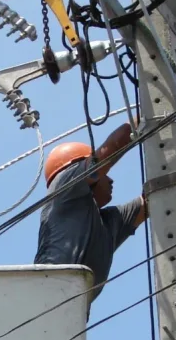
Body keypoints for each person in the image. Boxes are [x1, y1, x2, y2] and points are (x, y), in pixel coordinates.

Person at [35, 122, 146, 306]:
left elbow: (150, 202)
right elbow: (116, 143)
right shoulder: (64, 186)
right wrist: (145, 117)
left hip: (70, 317)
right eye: (105, 174)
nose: (110, 179)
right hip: (44, 299)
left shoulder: (107, 223)